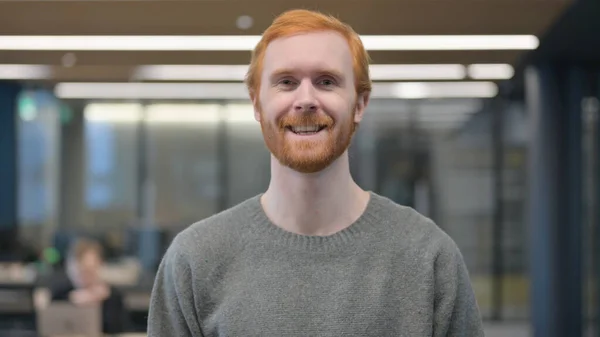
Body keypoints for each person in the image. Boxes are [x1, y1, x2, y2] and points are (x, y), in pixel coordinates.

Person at [148, 9, 484, 337]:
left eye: (326, 81)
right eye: (286, 82)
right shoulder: (195, 261)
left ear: (360, 103)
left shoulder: (428, 258)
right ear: (256, 103)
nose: (306, 100)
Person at [49, 238, 131, 334]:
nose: (87, 276)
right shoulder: (62, 292)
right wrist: (71, 300)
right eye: (83, 271)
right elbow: (50, 324)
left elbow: (120, 330)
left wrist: (101, 301)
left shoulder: (113, 296)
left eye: (91, 270)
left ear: (100, 265)